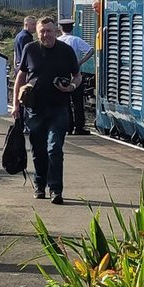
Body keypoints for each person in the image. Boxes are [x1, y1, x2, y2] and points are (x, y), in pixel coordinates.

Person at [12, 17, 81, 205]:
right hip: (35, 109)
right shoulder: (30, 49)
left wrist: (72, 87)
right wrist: (16, 104)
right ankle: (40, 184)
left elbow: (77, 76)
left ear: (56, 32)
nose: (45, 35)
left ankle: (56, 190)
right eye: (42, 31)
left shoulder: (66, 51)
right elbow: (21, 76)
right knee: (38, 149)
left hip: (59, 108)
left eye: (49, 31)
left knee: (54, 149)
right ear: (37, 32)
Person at [57, 19, 94, 135]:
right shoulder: (76, 40)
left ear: (60, 28)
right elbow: (91, 50)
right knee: (78, 102)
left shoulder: (57, 41)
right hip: (75, 74)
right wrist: (80, 62)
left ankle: (68, 127)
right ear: (72, 28)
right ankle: (79, 127)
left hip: (62, 74)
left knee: (65, 102)